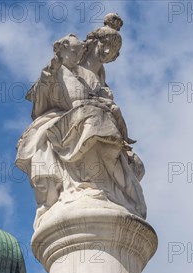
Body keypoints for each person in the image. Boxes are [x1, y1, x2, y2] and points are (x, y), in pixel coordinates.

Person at [16, 14, 146, 228]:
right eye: (106, 47)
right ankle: (92, 187)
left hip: (91, 124)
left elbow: (111, 115)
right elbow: (43, 99)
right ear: (94, 43)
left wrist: (111, 108)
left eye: (113, 53)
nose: (107, 54)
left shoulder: (102, 82)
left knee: (133, 161)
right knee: (95, 119)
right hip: (64, 126)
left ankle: (109, 191)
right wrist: (52, 69)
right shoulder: (66, 69)